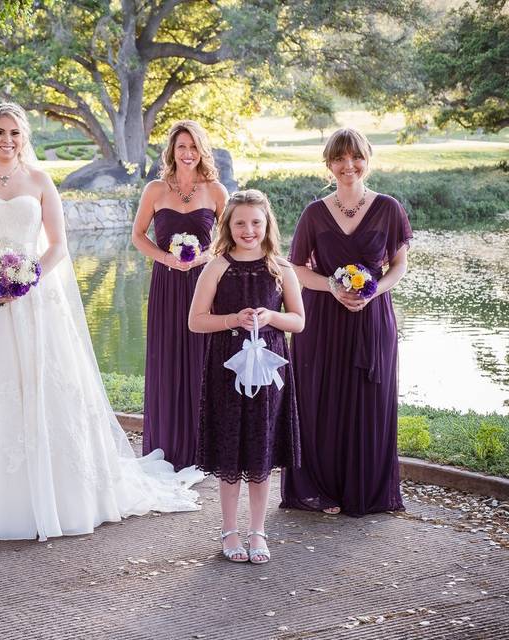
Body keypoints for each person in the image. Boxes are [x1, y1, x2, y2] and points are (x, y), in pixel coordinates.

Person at [0, 103, 203, 541]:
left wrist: (26, 279)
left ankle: (53, 494)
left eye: (15, 133)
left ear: (25, 138)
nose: (7, 141)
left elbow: (58, 245)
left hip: (30, 300)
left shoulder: (40, 182)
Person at [280, 128, 411, 517]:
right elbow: (297, 269)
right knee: (320, 402)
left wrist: (374, 291)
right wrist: (332, 288)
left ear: (367, 159)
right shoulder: (313, 213)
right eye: (339, 159)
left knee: (370, 402)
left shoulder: (389, 208)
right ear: (329, 164)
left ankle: (367, 491)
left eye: (356, 158)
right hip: (321, 320)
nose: (348, 166)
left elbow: (399, 265)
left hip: (372, 320)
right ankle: (318, 490)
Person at [189, 189, 304, 564]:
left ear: (267, 224)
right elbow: (195, 321)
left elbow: (299, 321)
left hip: (268, 371)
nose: (248, 229)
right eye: (240, 222)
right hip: (227, 366)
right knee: (230, 449)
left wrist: (271, 318)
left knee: (260, 450)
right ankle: (229, 529)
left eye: (256, 222)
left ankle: (257, 531)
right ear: (228, 225)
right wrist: (232, 320)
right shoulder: (217, 266)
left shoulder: (280, 267)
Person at [132, 120, 227, 470]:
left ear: (202, 150)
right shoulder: (155, 190)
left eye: (193, 147)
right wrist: (167, 259)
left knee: (203, 360)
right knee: (168, 358)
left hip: (205, 283)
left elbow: (227, 240)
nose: (187, 154)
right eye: (181, 147)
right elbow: (138, 235)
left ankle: (205, 447)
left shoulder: (216, 191)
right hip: (167, 284)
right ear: (171, 151)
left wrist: (201, 258)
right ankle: (167, 444)